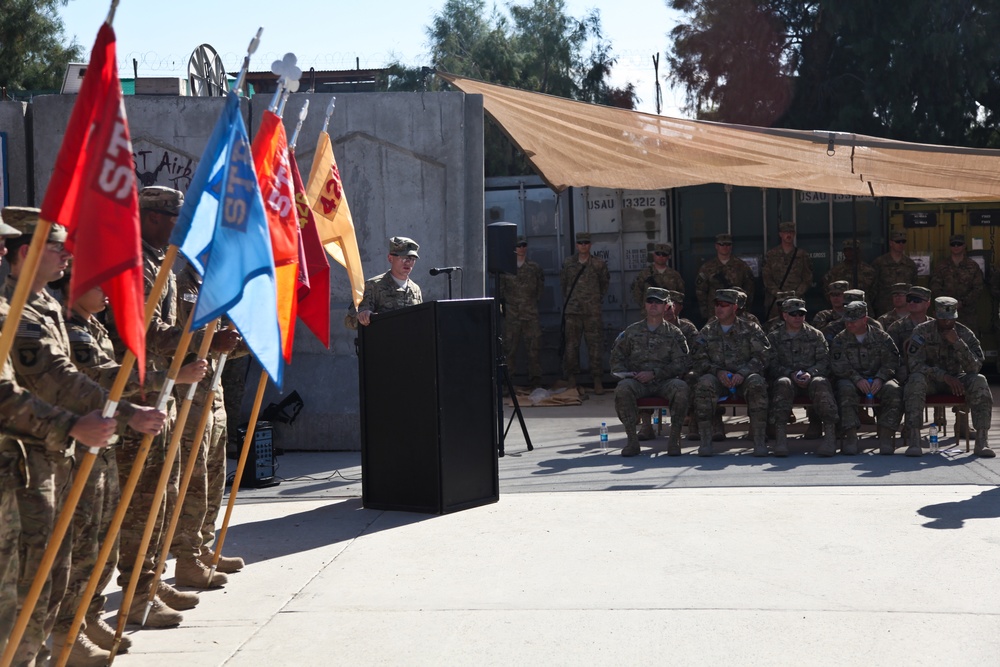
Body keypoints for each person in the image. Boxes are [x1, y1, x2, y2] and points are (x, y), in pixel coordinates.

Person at [1, 206, 166, 664]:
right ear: (25, 252)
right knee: (26, 579)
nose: (66, 258)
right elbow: (54, 381)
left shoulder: (45, 305)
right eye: (57, 248)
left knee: (58, 565)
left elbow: (70, 378)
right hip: (27, 461)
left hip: (52, 456)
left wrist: (124, 411)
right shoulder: (15, 311)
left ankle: (57, 640)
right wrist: (99, 418)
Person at [61, 285, 207, 658]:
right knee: (79, 545)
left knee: (101, 540)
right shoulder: (70, 327)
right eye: (99, 284)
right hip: (75, 449)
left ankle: (90, 615)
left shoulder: (91, 325)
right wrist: (168, 380)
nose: (108, 292)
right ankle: (68, 630)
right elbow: (98, 379)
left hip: (103, 441)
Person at [904, 297, 994, 457]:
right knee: (915, 380)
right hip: (931, 381)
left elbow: (974, 367)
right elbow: (914, 365)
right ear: (935, 315)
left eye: (950, 318)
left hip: (958, 380)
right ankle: (914, 440)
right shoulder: (921, 331)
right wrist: (943, 376)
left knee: (980, 381)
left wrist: (957, 343)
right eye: (942, 318)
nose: (946, 322)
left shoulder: (965, 333)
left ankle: (982, 441)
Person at [611, 288, 691, 457]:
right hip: (638, 382)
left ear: (666, 306)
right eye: (650, 301)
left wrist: (655, 373)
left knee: (681, 387)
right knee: (623, 388)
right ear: (645, 305)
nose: (653, 305)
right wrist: (627, 373)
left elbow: (682, 362)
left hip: (664, 381)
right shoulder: (632, 332)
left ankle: (674, 438)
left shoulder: (674, 333)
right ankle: (632, 440)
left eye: (658, 302)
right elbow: (616, 357)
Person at [691, 288, 771, 457]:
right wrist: (718, 372)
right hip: (717, 379)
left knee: (757, 383)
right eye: (717, 305)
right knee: (704, 384)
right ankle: (706, 440)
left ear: (735, 307)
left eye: (724, 305)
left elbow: (763, 356)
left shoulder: (751, 329)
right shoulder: (707, 331)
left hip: (744, 379)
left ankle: (758, 439)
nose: (719, 308)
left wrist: (743, 373)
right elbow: (698, 359)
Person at [767, 299, 838, 457]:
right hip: (788, 378)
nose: (798, 317)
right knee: (782, 383)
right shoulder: (774, 337)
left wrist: (811, 373)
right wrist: (789, 374)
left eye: (801, 314)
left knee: (821, 382)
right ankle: (780, 439)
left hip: (811, 378)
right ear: (785, 315)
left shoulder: (815, 335)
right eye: (793, 314)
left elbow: (824, 361)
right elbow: (771, 364)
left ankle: (830, 438)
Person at [830, 301, 902, 455]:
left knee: (893, 390)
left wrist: (881, 378)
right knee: (844, 389)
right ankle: (851, 437)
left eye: (853, 321)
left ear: (864, 319)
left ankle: (886, 436)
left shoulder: (881, 337)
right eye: (847, 321)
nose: (849, 324)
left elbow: (892, 361)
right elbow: (838, 365)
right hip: (852, 380)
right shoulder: (840, 339)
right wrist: (856, 378)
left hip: (877, 380)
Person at [560, 232, 609, 392]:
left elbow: (604, 285)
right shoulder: (568, 264)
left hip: (592, 312)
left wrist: (593, 300)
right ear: (576, 245)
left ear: (590, 245)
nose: (583, 245)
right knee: (571, 346)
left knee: (595, 347)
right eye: (580, 243)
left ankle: (597, 380)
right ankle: (572, 379)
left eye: (586, 243)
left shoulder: (598, 264)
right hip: (573, 311)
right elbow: (564, 284)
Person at [345, 236, 423, 329]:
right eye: (403, 257)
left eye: (412, 259)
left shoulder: (415, 289)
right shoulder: (373, 286)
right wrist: (363, 316)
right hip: (383, 341)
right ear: (390, 258)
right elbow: (349, 321)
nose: (408, 262)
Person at [500, 235, 545, 387]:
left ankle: (535, 381)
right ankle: (508, 384)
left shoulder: (534, 268)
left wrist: (530, 304)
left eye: (524, 245)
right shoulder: (506, 269)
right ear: (514, 248)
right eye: (519, 246)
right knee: (509, 351)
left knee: (534, 349)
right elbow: (501, 292)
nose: (521, 248)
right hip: (512, 316)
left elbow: (540, 289)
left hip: (530, 315)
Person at [930, 234, 984, 337]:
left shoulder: (973, 266)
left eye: (959, 244)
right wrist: (948, 304)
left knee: (969, 344)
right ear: (950, 246)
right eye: (953, 244)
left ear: (964, 246)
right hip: (946, 315)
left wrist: (962, 302)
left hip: (967, 314)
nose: (956, 246)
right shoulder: (941, 266)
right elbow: (935, 287)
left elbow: (978, 288)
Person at [695, 233, 755, 322]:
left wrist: (744, 308)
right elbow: (700, 291)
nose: (725, 247)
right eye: (721, 244)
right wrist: (705, 311)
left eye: (728, 244)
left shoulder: (741, 266)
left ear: (731, 246)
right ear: (716, 246)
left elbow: (750, 288)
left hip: (737, 311)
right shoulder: (707, 267)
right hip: (715, 311)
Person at [762, 221, 812, 319]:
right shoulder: (771, 255)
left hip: (797, 301)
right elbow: (767, 278)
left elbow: (807, 279)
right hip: (776, 302)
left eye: (791, 232)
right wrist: (778, 294)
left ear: (794, 234)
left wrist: (796, 294)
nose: (788, 235)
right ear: (780, 234)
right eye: (785, 232)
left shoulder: (802, 255)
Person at [886, 285, 933, 387]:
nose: (911, 303)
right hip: (906, 372)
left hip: (932, 371)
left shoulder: (935, 326)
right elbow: (890, 355)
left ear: (927, 303)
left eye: (916, 300)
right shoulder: (897, 327)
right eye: (909, 299)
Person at [872, 230, 917, 315]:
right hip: (884, 309)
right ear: (891, 243)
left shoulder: (910, 264)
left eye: (903, 242)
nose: (901, 244)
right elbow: (873, 288)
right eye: (898, 241)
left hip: (905, 310)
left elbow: (913, 287)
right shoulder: (880, 263)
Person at [630, 242, 684, 307]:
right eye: (658, 254)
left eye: (664, 254)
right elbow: (636, 291)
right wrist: (645, 306)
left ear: (668, 257)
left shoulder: (674, 275)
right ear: (654, 255)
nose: (661, 256)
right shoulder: (644, 274)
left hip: (668, 312)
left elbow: (681, 294)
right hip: (650, 313)